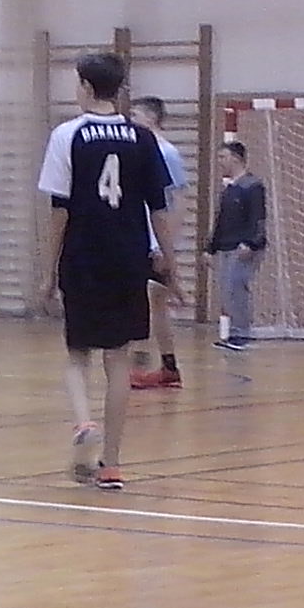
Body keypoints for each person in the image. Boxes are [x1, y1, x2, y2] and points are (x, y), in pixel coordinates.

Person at [35, 50, 173, 492]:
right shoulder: (143, 138)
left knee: (78, 354)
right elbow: (160, 208)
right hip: (128, 257)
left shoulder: (67, 135)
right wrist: (170, 262)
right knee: (118, 360)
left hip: (83, 256)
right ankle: (111, 464)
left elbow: (59, 211)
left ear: (86, 87)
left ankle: (83, 422)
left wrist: (47, 272)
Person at [129, 93, 190, 390]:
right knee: (152, 301)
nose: (131, 121)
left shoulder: (166, 153)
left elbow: (178, 200)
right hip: (141, 238)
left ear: (151, 118)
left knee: (153, 300)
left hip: (156, 241)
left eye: (135, 115)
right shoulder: (140, 150)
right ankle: (165, 366)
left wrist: (166, 245)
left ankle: (155, 365)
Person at [206, 134, 269, 350]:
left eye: (223, 157)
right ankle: (234, 333)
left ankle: (242, 333)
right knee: (227, 291)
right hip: (226, 246)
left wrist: (251, 243)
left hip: (243, 247)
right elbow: (221, 220)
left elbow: (258, 218)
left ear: (236, 159)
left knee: (237, 288)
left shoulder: (252, 186)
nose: (220, 162)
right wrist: (210, 248)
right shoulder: (229, 189)